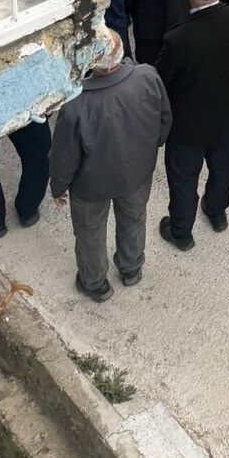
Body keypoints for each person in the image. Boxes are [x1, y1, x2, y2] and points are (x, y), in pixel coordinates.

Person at [49, 28, 171, 300]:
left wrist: (58, 186)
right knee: (134, 219)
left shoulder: (75, 105)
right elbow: (165, 119)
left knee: (90, 233)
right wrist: (149, 150)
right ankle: (131, 269)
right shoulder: (148, 76)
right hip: (138, 173)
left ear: (91, 62)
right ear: (120, 54)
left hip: (91, 186)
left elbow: (63, 156)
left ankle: (94, 284)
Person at [155, 0, 229, 249]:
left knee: (183, 179)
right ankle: (217, 211)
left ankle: (181, 231)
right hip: (227, 112)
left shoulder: (176, 39)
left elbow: (162, 81)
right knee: (223, 166)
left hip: (187, 123)